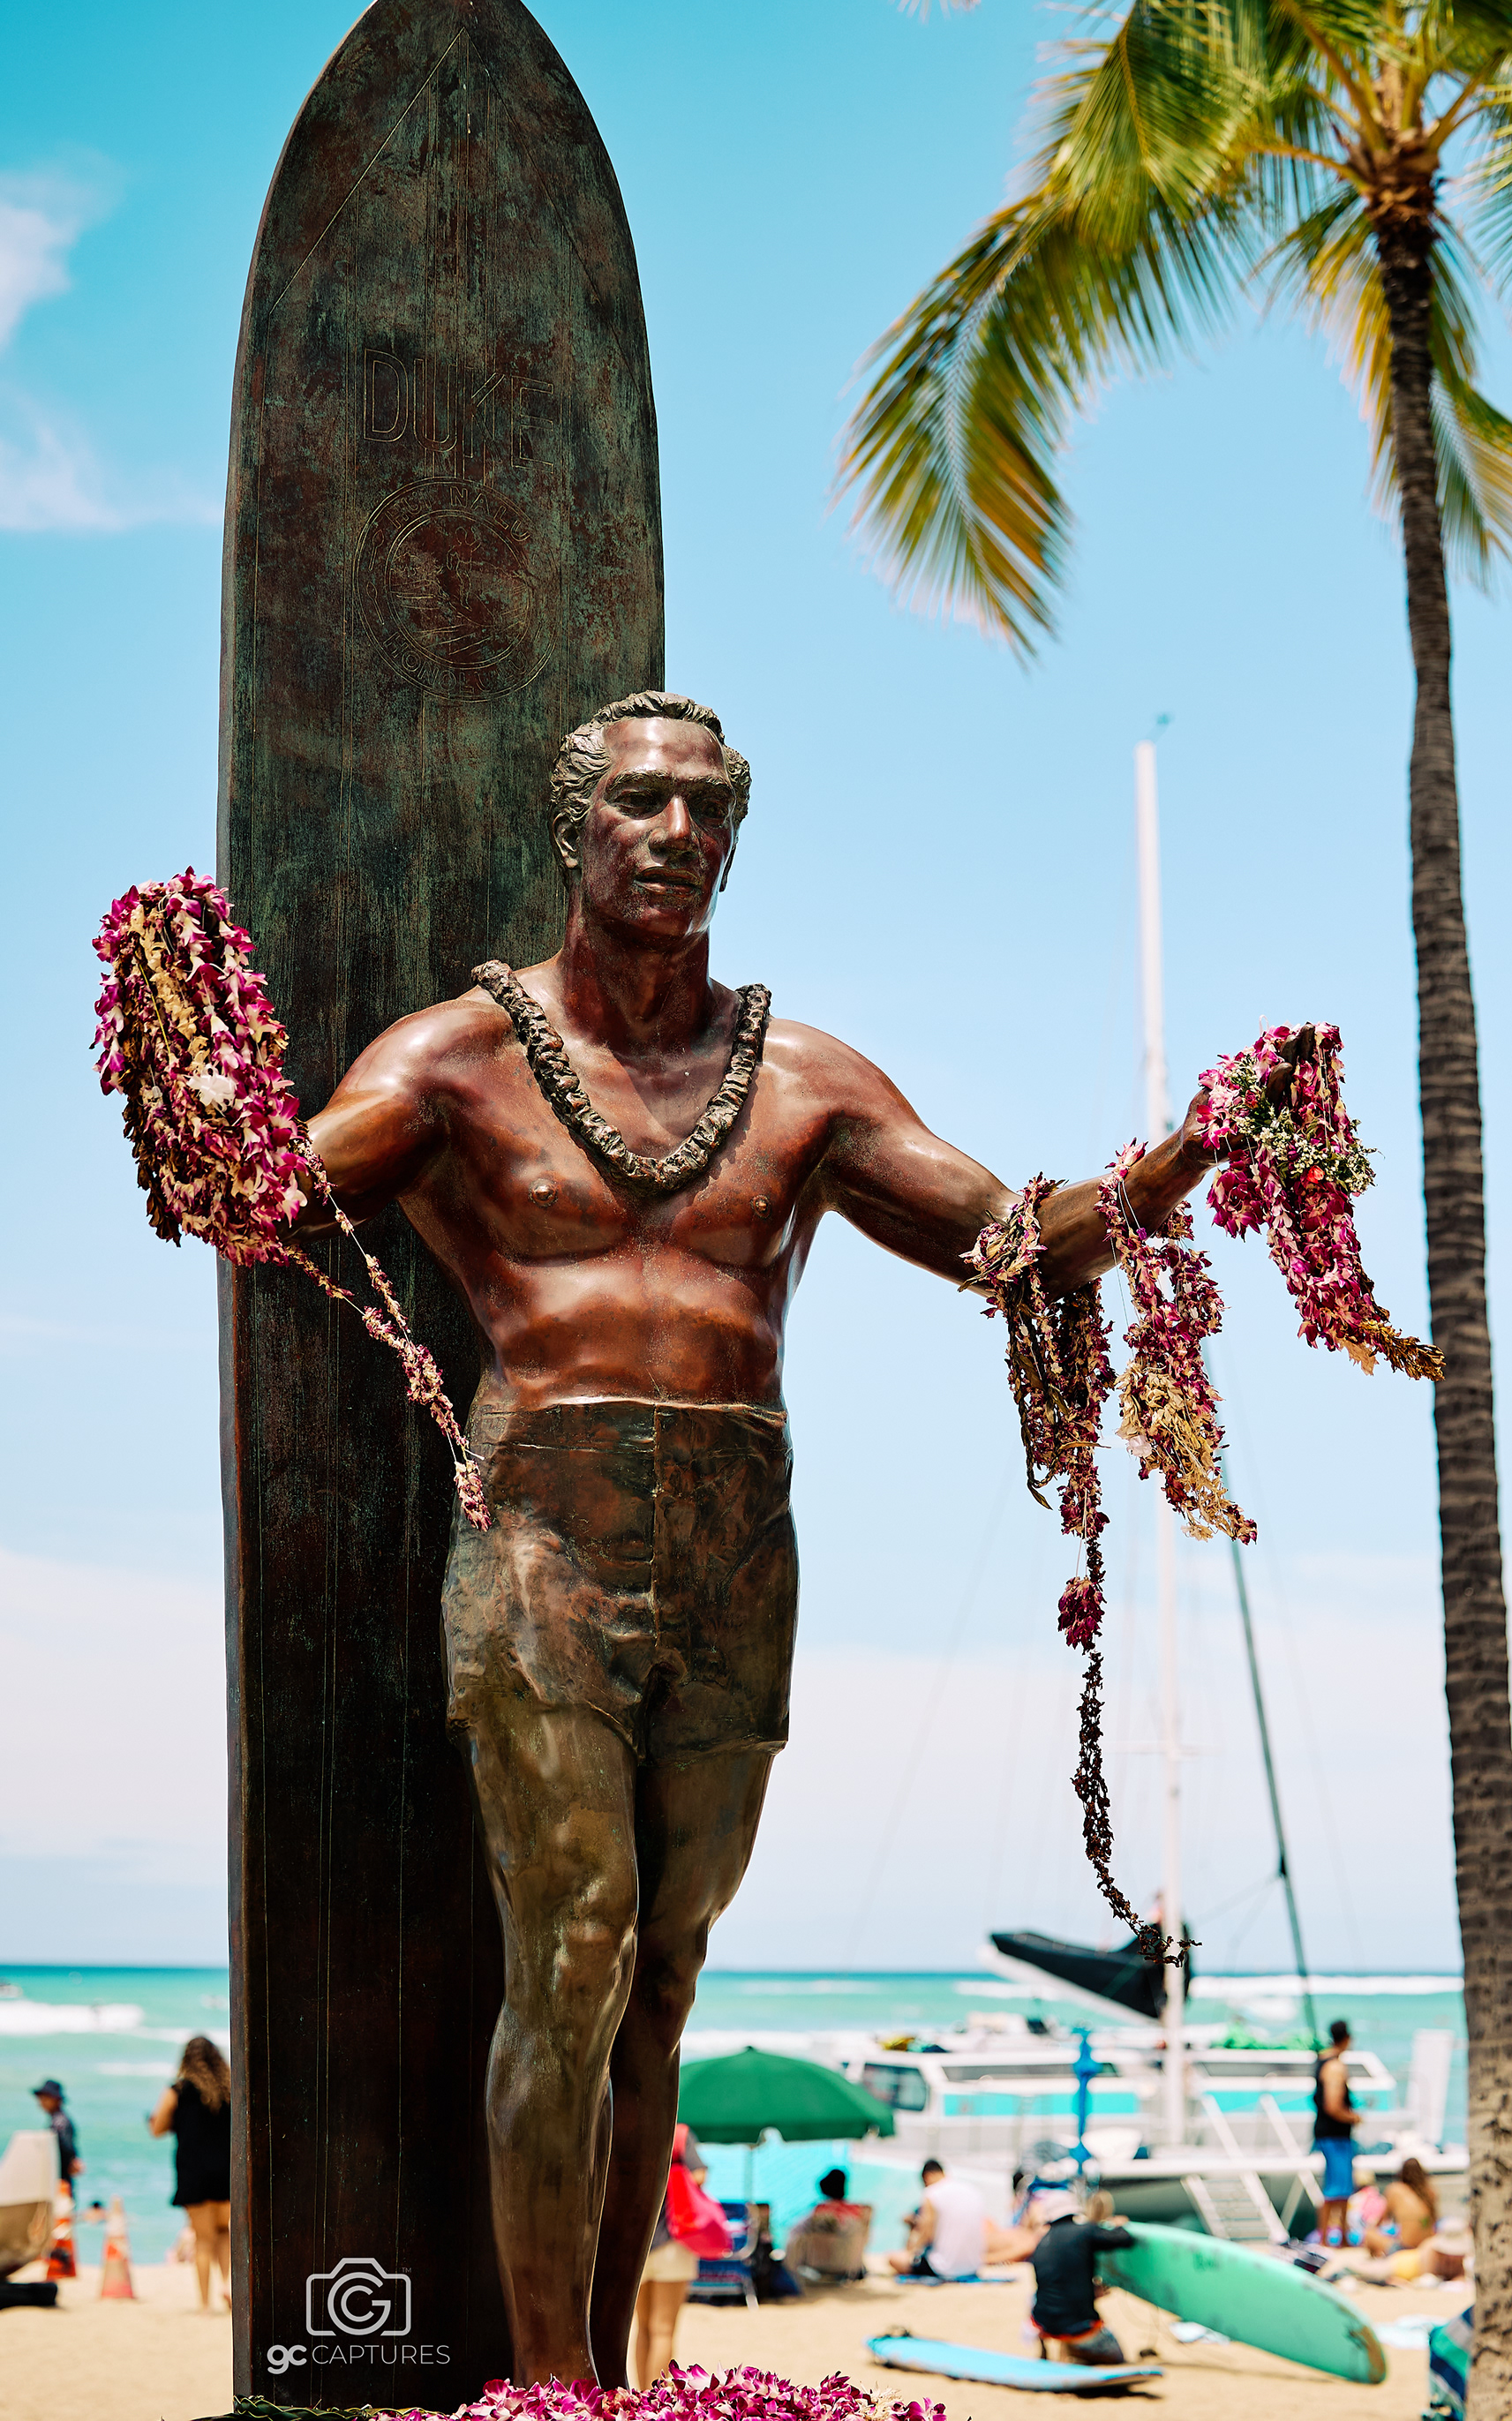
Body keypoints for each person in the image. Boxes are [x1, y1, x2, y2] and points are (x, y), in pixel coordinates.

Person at [295, 689, 1227, 2384]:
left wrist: (1172, 1174)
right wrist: (185, 1093)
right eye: (643, 805)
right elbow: (278, 1198)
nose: (676, 837)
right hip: (544, 1527)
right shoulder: (456, 1060)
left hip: (741, 1540)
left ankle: (614, 2373)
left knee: (663, 1970)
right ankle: (551, 2392)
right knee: (571, 1942)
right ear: (571, 831)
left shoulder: (800, 1078)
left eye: (707, 810)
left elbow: (1010, 1235)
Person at [148, 2036, 231, 2312]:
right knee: (223, 2232)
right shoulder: (231, 2088)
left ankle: (205, 2305)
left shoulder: (178, 2090)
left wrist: (178, 2122)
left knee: (203, 2238)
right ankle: (229, 2287)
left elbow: (157, 2128)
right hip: (227, 2171)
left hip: (194, 2171)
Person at [632, 2126, 711, 2388]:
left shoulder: (628, 2127)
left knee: (642, 2329)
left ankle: (640, 2398)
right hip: (673, 2241)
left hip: (635, 2246)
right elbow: (700, 2174)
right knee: (663, 2330)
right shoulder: (678, 2134)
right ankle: (655, 2402)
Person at [1031, 2191, 1131, 2365]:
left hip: (1043, 2323)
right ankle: (1080, 2356)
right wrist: (1119, 2225)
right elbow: (1124, 2239)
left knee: (1055, 2301)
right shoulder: (1084, 2232)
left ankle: (1060, 2351)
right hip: (1077, 2328)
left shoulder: (1042, 2242)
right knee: (1117, 2357)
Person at [891, 2159, 987, 2279]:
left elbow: (927, 2234)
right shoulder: (972, 2190)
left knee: (894, 2259)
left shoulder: (932, 2193)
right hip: (972, 2267)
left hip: (944, 2268)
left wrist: (911, 2246)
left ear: (928, 2176)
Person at [1313, 2019, 1360, 2246]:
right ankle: (1327, 2238)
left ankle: (1340, 2236)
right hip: (1335, 2134)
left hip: (1329, 2133)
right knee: (1336, 2187)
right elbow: (1333, 2105)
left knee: (1341, 2187)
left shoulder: (1323, 2060)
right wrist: (1353, 2117)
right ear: (1347, 2038)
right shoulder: (1335, 2066)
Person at [1363, 2157, 1440, 2263]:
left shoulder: (1395, 2190)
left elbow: (1382, 2220)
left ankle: (1378, 2260)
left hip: (1405, 2250)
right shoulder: (1430, 2192)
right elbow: (1433, 2223)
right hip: (1426, 2250)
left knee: (1369, 2234)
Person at [30, 2080, 81, 2196]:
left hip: (60, 2176)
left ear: (56, 2099)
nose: (41, 2103)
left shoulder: (60, 2122)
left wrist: (73, 2160)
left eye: (44, 2099)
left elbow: (67, 2147)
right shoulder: (59, 2119)